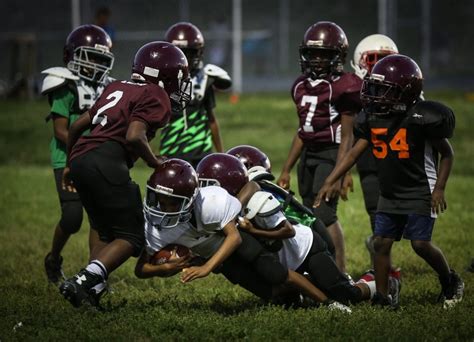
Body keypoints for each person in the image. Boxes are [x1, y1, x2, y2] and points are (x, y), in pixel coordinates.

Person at [316, 54, 464, 308]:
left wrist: (439, 188)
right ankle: (383, 297)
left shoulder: (421, 117)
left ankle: (450, 280)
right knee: (381, 243)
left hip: (419, 189)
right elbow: (354, 152)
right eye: (375, 88)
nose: (376, 96)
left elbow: (447, 153)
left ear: (405, 93)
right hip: (390, 191)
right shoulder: (374, 117)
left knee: (420, 244)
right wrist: (332, 179)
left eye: (385, 90)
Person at [58, 41, 191, 308]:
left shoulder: (116, 86)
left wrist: (70, 165)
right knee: (132, 237)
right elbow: (134, 135)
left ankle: (91, 290)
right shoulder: (157, 94)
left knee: (102, 229)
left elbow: (76, 127)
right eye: (179, 78)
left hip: (82, 156)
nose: (181, 85)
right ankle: (84, 280)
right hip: (107, 161)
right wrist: (154, 161)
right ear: (164, 75)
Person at [136, 158, 349, 311]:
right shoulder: (156, 227)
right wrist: (166, 267)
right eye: (158, 199)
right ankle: (306, 291)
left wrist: (205, 268)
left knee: (278, 274)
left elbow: (235, 237)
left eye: (172, 203)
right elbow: (140, 270)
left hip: (240, 243)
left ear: (191, 199)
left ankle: (328, 304)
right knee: (276, 295)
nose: (162, 208)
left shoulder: (211, 202)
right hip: (221, 258)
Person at [277, 22, 363, 273]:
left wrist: (342, 172)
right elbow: (303, 131)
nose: (316, 59)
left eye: (324, 54)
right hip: (309, 155)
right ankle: (319, 268)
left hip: (332, 153)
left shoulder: (345, 86)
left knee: (325, 214)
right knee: (309, 215)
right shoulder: (300, 86)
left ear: (338, 56)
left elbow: (348, 136)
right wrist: (286, 169)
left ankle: (340, 271)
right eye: (312, 53)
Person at [41, 24, 114, 284]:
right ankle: (53, 259)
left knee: (98, 220)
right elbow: (61, 131)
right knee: (72, 219)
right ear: (70, 55)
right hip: (68, 157)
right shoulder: (65, 84)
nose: (94, 64)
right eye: (89, 56)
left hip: (96, 159)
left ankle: (92, 274)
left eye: (99, 58)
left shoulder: (108, 87)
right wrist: (90, 144)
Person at [350, 34, 399, 264]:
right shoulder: (353, 92)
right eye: (374, 60)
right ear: (360, 60)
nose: (380, 66)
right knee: (375, 212)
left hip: (401, 160)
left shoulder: (407, 89)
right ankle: (383, 267)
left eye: (385, 59)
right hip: (370, 161)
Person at [161, 22, 232, 167]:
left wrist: (221, 154)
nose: (186, 57)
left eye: (190, 52)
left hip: (201, 152)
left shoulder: (204, 80)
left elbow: (211, 119)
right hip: (172, 150)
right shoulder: (162, 83)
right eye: (181, 52)